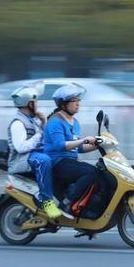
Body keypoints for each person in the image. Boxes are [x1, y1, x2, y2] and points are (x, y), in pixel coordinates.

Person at [7, 84, 72, 220]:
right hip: (22, 160)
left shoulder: (33, 120)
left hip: (34, 155)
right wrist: (40, 133)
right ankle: (46, 201)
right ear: (29, 104)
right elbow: (21, 147)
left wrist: (43, 122)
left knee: (62, 159)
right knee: (44, 160)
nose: (37, 105)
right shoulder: (18, 123)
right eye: (35, 102)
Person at [43, 83, 99, 217]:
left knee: (101, 174)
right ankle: (66, 203)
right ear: (63, 104)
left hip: (69, 162)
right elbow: (60, 145)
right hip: (57, 162)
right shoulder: (55, 122)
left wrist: (98, 145)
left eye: (78, 100)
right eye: (74, 101)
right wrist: (84, 140)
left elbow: (78, 148)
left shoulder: (75, 122)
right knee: (92, 172)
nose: (78, 103)